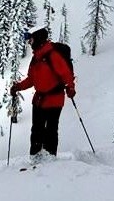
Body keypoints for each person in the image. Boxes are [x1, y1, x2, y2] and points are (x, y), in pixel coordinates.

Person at [10, 26, 75, 160]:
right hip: (39, 100)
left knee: (51, 129)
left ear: (38, 38)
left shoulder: (52, 55)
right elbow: (31, 79)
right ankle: (35, 157)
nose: (29, 43)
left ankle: (50, 157)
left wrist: (70, 88)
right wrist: (18, 87)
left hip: (54, 99)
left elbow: (66, 74)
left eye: (31, 40)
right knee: (36, 130)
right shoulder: (36, 57)